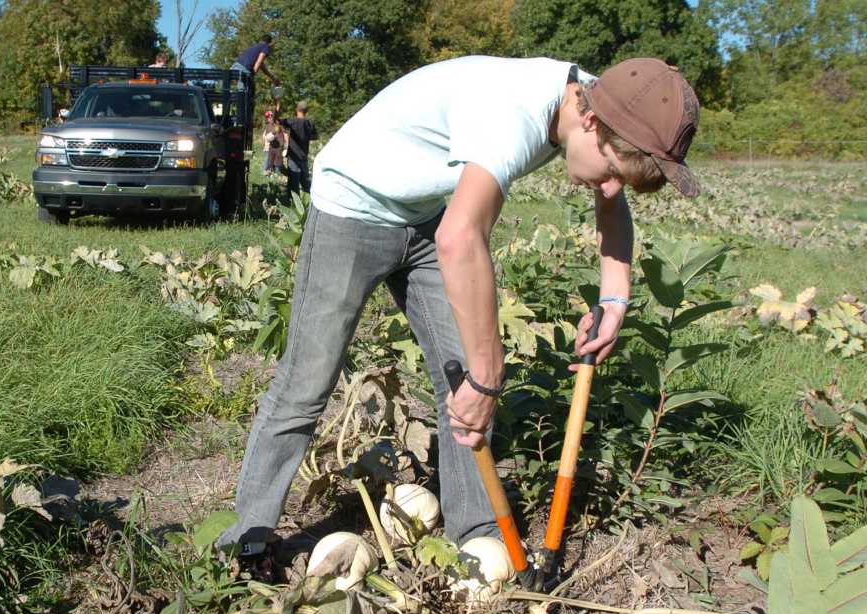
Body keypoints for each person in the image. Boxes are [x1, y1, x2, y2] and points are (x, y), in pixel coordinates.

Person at [216, 57, 701, 572]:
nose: (607, 184)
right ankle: (247, 537)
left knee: (466, 379)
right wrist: (489, 376)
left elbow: (608, 196)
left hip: (423, 212)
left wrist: (614, 299)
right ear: (590, 120)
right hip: (352, 208)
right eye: (609, 170)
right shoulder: (511, 115)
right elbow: (459, 238)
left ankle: (478, 534)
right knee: (307, 384)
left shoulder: (598, 103)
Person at [277, 99, 318, 196]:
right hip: (304, 157)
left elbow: (277, 121)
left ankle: (294, 206)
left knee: (293, 186)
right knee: (306, 184)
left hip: (294, 158)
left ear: (297, 110)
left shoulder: (293, 121)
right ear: (306, 111)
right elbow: (315, 136)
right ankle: (309, 204)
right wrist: (305, 137)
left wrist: (278, 105)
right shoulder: (309, 123)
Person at [262, 111, 286, 177]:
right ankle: (268, 173)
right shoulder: (267, 126)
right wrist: (265, 144)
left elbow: (285, 134)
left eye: (270, 116)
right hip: (271, 147)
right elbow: (266, 137)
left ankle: (279, 174)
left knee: (278, 163)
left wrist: (285, 145)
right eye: (267, 117)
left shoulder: (278, 124)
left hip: (279, 146)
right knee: (269, 161)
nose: (269, 118)